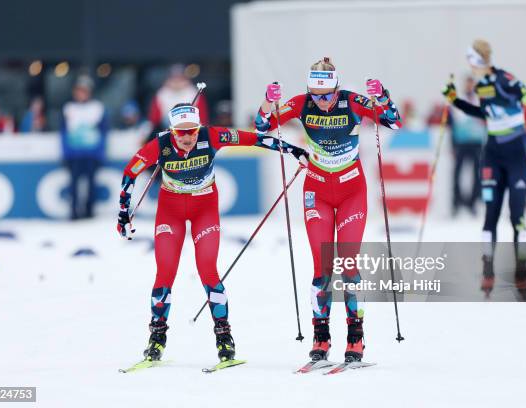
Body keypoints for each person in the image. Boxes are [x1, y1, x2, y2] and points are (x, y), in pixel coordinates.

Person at [117, 103, 307, 365]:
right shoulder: (159, 145)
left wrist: (293, 150)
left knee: (208, 269)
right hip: (170, 212)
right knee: (165, 271)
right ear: (172, 131)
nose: (187, 138)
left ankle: (224, 338)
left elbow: (255, 139)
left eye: (192, 132)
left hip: (204, 209)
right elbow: (130, 172)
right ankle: (156, 338)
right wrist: (123, 213)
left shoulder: (213, 136)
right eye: (181, 133)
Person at [255, 57, 402, 363]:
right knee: (322, 266)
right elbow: (262, 126)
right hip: (317, 191)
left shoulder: (353, 102)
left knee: (348, 265)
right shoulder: (300, 103)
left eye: (326, 96)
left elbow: (393, 121)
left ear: (337, 89)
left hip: (351, 191)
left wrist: (383, 96)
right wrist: (269, 102)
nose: (320, 102)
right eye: (315, 96)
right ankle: (320, 337)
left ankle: (355, 336)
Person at [442, 39, 526, 296]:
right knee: (490, 215)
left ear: (478, 60)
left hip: (517, 154)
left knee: (517, 216)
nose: (469, 64)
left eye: (471, 59)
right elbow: (484, 114)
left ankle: (521, 270)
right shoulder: (480, 85)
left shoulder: (504, 78)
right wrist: (455, 100)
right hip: (493, 156)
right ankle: (488, 269)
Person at [61, 75, 108, 220]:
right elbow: (63, 133)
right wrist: (66, 152)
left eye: (84, 91)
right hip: (74, 154)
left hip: (91, 153)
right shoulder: (68, 108)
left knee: (91, 185)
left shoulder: (97, 108)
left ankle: (89, 212)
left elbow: (104, 132)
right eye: (79, 91)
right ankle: (74, 212)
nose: (81, 94)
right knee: (74, 185)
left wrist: (100, 152)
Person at [450, 75, 486, 216]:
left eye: (472, 83)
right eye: (468, 83)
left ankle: (473, 202)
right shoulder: (459, 99)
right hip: (462, 142)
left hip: (477, 142)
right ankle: (456, 202)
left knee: (477, 174)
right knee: (457, 173)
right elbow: (457, 120)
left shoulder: (480, 100)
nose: (470, 86)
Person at [148, 64, 209, 137]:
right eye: (174, 77)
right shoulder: (162, 93)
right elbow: (154, 119)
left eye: (179, 78)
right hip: (167, 130)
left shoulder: (194, 93)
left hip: (191, 130)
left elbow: (203, 119)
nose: (177, 81)